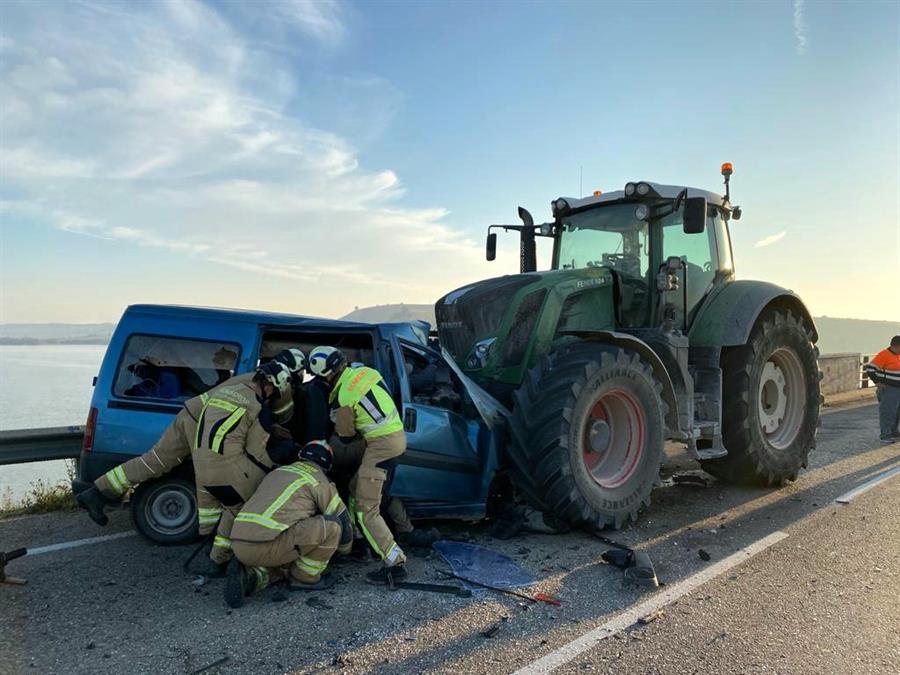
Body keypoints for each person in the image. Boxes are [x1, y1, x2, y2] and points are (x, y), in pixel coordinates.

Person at [75, 350, 305, 526]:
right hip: (200, 423)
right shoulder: (265, 383)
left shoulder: (252, 377)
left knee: (155, 461)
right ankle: (210, 533)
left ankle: (96, 493)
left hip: (191, 414)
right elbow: (268, 415)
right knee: (209, 472)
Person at [308, 346, 408, 584]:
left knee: (366, 509)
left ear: (325, 376)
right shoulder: (365, 372)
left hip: (381, 446)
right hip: (396, 435)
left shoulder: (342, 398)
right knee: (355, 489)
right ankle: (360, 543)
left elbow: (345, 435)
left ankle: (395, 564)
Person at [224, 440, 353, 608]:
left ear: (300, 457)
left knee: (290, 552)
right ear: (327, 467)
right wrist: (344, 551)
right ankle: (305, 578)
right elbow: (342, 518)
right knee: (332, 526)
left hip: (239, 544)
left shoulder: (276, 473)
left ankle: (251, 577)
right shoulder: (319, 480)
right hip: (269, 544)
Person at [192, 361, 295, 568]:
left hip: (200, 466)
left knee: (223, 505)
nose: (273, 397)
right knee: (243, 505)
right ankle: (220, 559)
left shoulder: (227, 391)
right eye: (274, 392)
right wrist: (273, 469)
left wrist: (271, 429)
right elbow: (257, 453)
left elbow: (231, 423)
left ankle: (207, 542)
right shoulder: (259, 407)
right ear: (269, 386)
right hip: (226, 471)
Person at [864, 335, 900, 443]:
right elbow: (870, 369)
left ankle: (894, 431)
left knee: (897, 413)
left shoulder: (898, 355)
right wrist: (878, 382)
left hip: (898, 388)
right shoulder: (884, 355)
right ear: (896, 346)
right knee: (887, 412)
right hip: (889, 388)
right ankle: (885, 434)